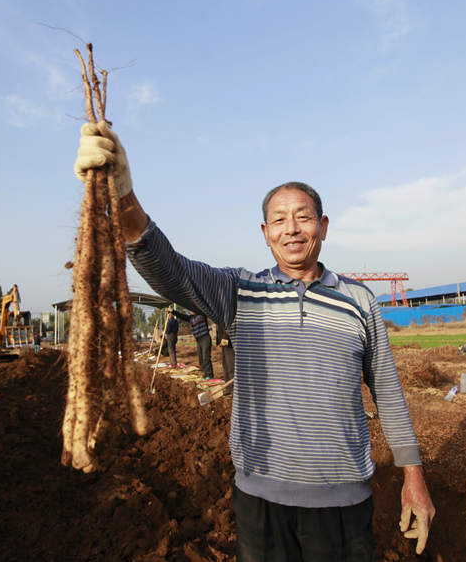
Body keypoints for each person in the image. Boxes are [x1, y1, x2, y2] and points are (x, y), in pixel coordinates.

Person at [74, 122, 435, 559]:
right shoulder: (240, 293)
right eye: (279, 220)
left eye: (303, 217)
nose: (292, 229)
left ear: (322, 226)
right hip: (260, 499)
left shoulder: (358, 299)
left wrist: (413, 477)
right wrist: (123, 195)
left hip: (342, 499)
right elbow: (171, 270)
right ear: (265, 233)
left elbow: (388, 391)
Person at [172, 309, 214, 380]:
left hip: (205, 338)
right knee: (201, 359)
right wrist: (173, 312)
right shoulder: (191, 318)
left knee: (206, 357)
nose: (191, 310)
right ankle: (205, 373)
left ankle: (209, 375)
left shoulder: (201, 314)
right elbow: (181, 316)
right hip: (199, 340)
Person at [214, 321, 234, 394]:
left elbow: (228, 329)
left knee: (231, 366)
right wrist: (218, 342)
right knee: (225, 366)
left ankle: (233, 389)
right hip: (224, 344)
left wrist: (223, 342)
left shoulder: (226, 315)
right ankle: (228, 388)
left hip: (229, 344)